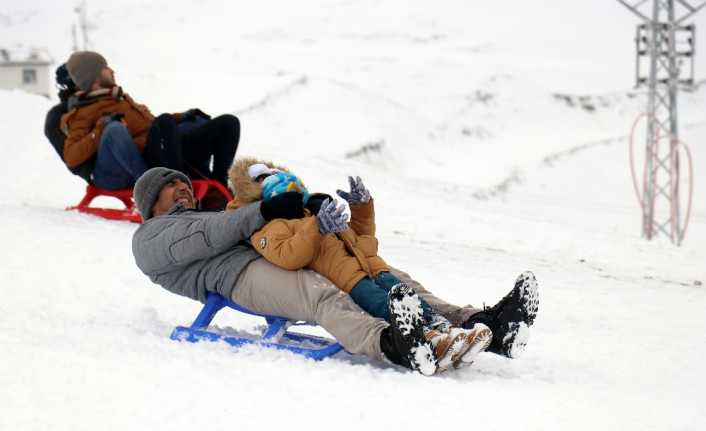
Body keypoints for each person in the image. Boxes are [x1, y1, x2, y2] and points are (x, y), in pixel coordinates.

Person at [131, 167, 539, 376]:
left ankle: (480, 324)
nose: (182, 187)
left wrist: (310, 212)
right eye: (171, 185)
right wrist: (264, 210)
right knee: (319, 292)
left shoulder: (214, 216)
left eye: (184, 182)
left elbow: (236, 225)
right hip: (236, 277)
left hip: (271, 257)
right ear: (151, 202)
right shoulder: (151, 236)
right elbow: (206, 235)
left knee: (384, 276)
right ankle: (396, 345)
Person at [226, 158, 494, 371]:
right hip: (349, 281)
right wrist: (316, 229)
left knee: (409, 297)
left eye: (275, 170)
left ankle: (448, 332)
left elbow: (360, 239)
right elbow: (288, 255)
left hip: (371, 270)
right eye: (263, 176)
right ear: (252, 189)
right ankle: (430, 338)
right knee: (386, 306)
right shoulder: (267, 224)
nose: (275, 175)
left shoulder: (314, 210)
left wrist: (362, 208)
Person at [58, 51, 239, 198]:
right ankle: (165, 189)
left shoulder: (119, 97)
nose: (112, 70)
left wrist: (182, 117)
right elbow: (71, 156)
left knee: (227, 123)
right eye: (105, 68)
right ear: (94, 78)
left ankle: (218, 184)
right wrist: (100, 129)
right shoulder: (82, 112)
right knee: (116, 130)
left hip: (157, 152)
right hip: (131, 167)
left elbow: (151, 125)